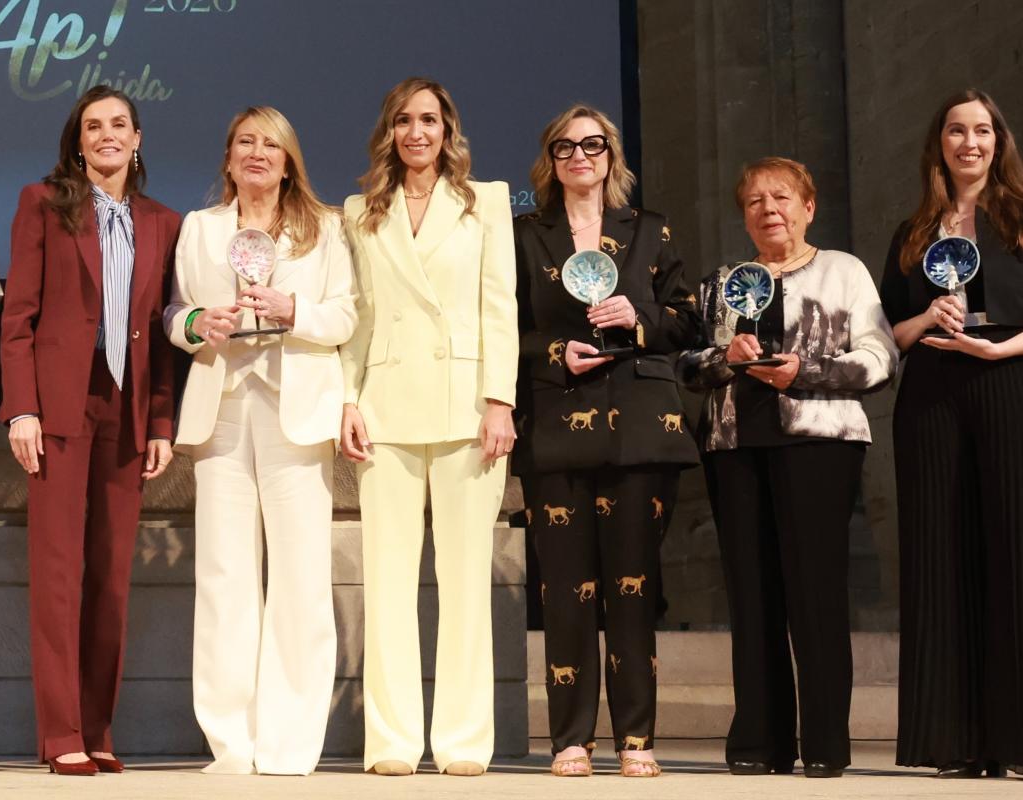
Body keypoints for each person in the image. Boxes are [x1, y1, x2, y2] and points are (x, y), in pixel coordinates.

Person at [683, 157, 896, 779]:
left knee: (815, 594)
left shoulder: (843, 270)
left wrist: (807, 370)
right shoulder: (722, 282)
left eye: (781, 197)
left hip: (819, 445)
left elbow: (880, 356)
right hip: (735, 446)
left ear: (809, 207)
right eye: (755, 201)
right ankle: (759, 742)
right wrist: (725, 356)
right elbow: (686, 365)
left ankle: (824, 742)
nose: (768, 209)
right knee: (752, 598)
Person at [165, 106, 355, 776]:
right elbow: (175, 313)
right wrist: (199, 322)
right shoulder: (201, 227)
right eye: (245, 142)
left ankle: (289, 742)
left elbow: (345, 315)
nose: (257, 153)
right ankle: (231, 742)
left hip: (296, 410)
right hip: (221, 408)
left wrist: (293, 310)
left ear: (288, 160)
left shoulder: (324, 227)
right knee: (223, 577)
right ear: (228, 157)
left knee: (300, 577)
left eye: (270, 144)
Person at [512, 105, 700, 778]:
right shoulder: (524, 235)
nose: (580, 156)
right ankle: (570, 739)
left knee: (633, 589)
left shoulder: (649, 229)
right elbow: (501, 328)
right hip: (557, 422)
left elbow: (688, 320)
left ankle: (636, 739)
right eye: (565, 147)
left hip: (642, 427)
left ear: (611, 156)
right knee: (565, 592)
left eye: (592, 145)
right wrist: (553, 351)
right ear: (550, 160)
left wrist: (637, 316)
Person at [0, 85, 179, 776]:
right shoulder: (42, 203)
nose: (107, 135)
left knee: (111, 579)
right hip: (59, 407)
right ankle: (62, 734)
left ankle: (99, 728)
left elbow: (158, 331)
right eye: (93, 126)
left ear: (138, 138)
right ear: (78, 142)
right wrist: (22, 407)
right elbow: (18, 314)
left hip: (126, 410)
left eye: (119, 124)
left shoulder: (162, 221)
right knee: (57, 574)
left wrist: (160, 419)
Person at [340, 77, 518, 777]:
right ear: (389, 132)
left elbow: (499, 307)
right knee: (387, 581)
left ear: (448, 130)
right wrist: (348, 399)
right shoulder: (361, 210)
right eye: (404, 121)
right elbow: (359, 316)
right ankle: (391, 741)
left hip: (466, 405)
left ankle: (463, 741)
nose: (417, 132)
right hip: (385, 404)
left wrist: (499, 400)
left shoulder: (486, 202)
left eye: (429, 120)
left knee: (465, 579)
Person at [882, 89, 1023, 780]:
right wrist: (926, 318)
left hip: (1008, 379)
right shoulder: (914, 231)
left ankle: (1016, 739)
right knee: (940, 555)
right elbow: (889, 330)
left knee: (1012, 550)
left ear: (999, 141)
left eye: (982, 130)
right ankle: (955, 740)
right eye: (956, 131)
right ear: (938, 144)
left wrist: (1002, 349)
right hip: (932, 390)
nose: (970, 142)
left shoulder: (1020, 217)